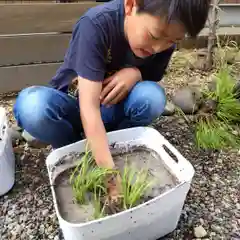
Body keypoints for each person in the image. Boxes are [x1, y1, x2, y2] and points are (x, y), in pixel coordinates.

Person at [13, 0, 210, 198]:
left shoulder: (164, 37)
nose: (158, 47)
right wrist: (111, 180)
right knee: (33, 106)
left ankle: (113, 145)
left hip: (110, 108)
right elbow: (88, 108)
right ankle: (73, 151)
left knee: (152, 97)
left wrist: (136, 73)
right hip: (73, 107)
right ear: (131, 5)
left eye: (171, 41)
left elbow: (149, 81)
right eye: (153, 36)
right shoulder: (96, 24)